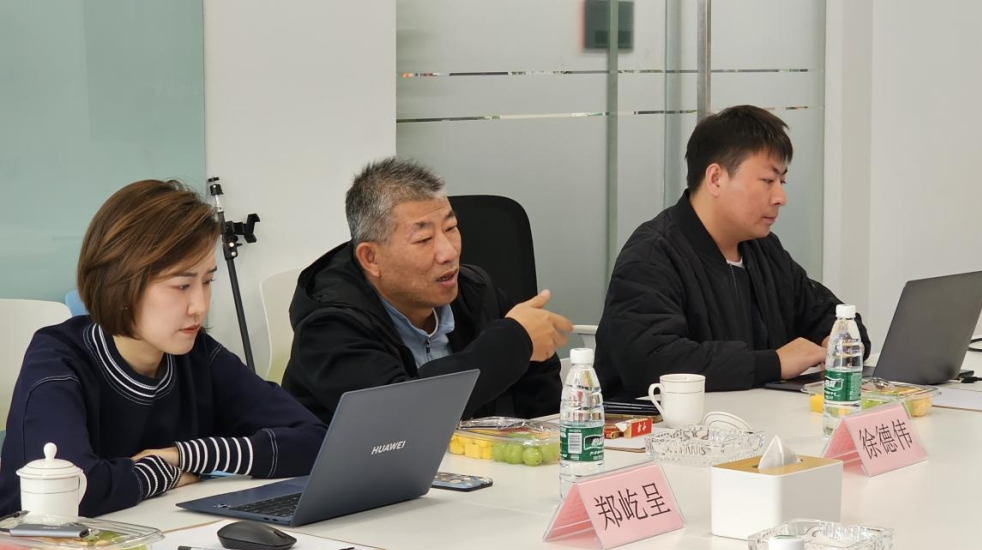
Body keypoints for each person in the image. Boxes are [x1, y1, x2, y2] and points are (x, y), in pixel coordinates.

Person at [0, 180, 327, 517]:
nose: (200, 306)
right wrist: (164, 473)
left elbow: (316, 442)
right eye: (182, 285)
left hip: (162, 537)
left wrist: (186, 455)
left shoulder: (198, 354)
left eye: (207, 281)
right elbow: (70, 491)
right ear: (121, 283)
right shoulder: (57, 359)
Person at [595, 105, 871, 396]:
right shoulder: (652, 255)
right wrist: (774, 363)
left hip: (755, 417)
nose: (780, 197)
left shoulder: (763, 250)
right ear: (716, 178)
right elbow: (653, 361)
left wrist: (839, 343)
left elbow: (829, 314)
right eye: (768, 181)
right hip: (664, 423)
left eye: (782, 181)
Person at [283, 158, 571, 424]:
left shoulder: (475, 291)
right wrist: (512, 344)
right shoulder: (329, 325)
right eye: (423, 239)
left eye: (451, 228)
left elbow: (538, 385)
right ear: (371, 258)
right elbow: (400, 416)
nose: (449, 252)